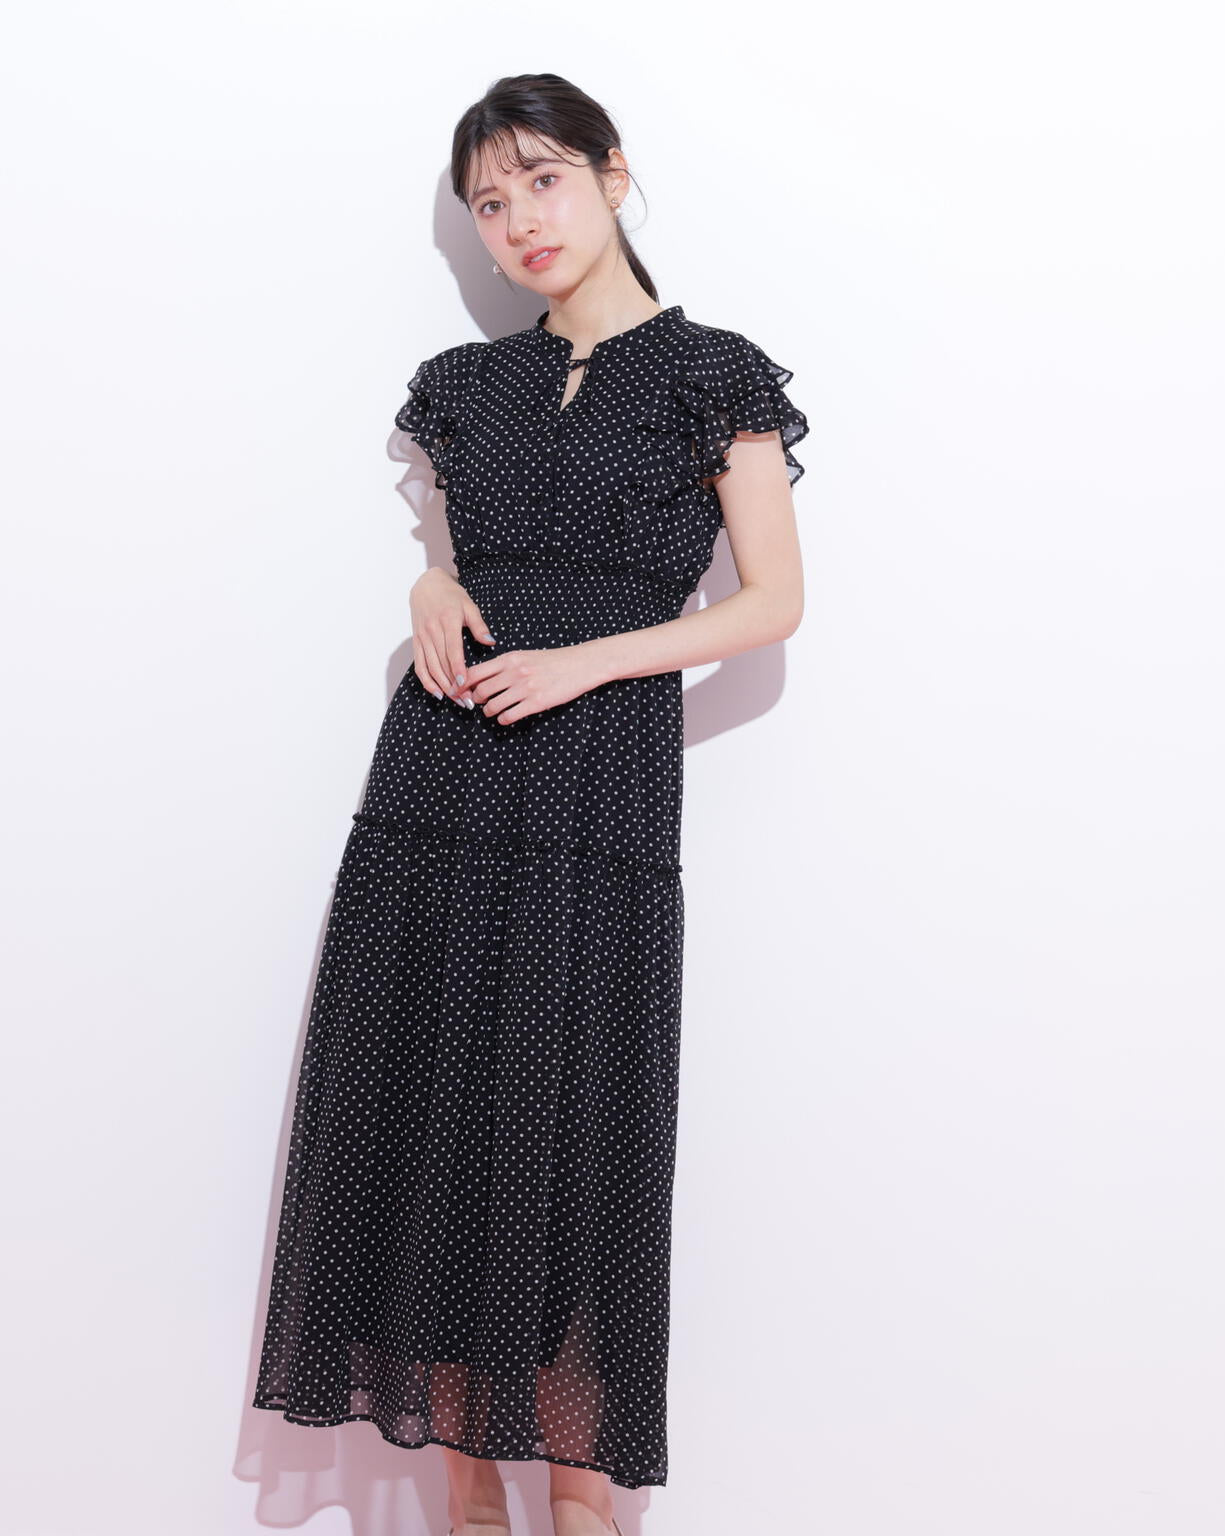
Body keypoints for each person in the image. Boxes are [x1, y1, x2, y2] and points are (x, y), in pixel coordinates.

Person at [251, 72, 810, 1536]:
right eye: (489, 205)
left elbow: (773, 603)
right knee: (430, 1107)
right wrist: (430, 585)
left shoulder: (717, 377)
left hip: (599, 785)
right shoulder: (465, 385)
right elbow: (460, 557)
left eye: (542, 182)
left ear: (615, 175)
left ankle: (579, 1497)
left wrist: (591, 661)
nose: (518, 224)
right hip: (440, 776)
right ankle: (469, 1501)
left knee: (574, 1124)